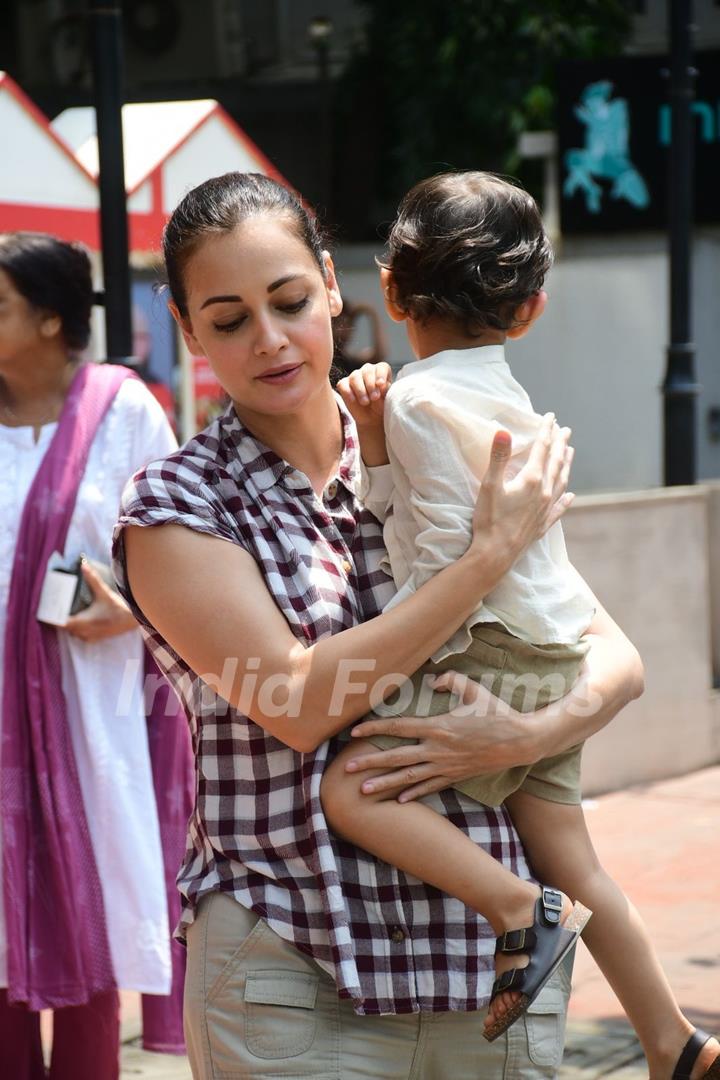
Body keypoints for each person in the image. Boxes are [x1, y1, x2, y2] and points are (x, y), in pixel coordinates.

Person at [112, 171, 645, 1080]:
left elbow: (611, 656)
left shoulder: (434, 436)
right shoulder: (178, 506)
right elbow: (298, 700)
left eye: (288, 301)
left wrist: (525, 733)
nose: (271, 340)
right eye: (230, 318)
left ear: (332, 282)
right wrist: (481, 558)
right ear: (185, 325)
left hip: (495, 971)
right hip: (293, 974)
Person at [320, 172, 720, 1079]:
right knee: (578, 862)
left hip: (484, 655)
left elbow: (451, 559)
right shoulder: (513, 401)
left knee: (352, 791)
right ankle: (673, 1042)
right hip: (555, 653)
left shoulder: (420, 401)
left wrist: (375, 454)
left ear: (389, 288)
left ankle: (516, 912)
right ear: (530, 309)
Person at [0, 231, 188, 1080]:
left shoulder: (125, 410)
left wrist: (133, 608)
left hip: (89, 709)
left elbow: (181, 555)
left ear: (49, 319)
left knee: (92, 912)